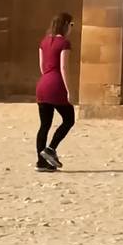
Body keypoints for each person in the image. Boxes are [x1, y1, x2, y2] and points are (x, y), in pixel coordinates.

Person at [35, 13, 76, 172]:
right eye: (71, 25)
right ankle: (50, 149)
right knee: (69, 119)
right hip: (56, 85)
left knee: (44, 125)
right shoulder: (64, 43)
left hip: (43, 84)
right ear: (65, 24)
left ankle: (41, 162)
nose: (71, 29)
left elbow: (41, 66)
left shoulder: (44, 42)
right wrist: (69, 91)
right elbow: (64, 68)